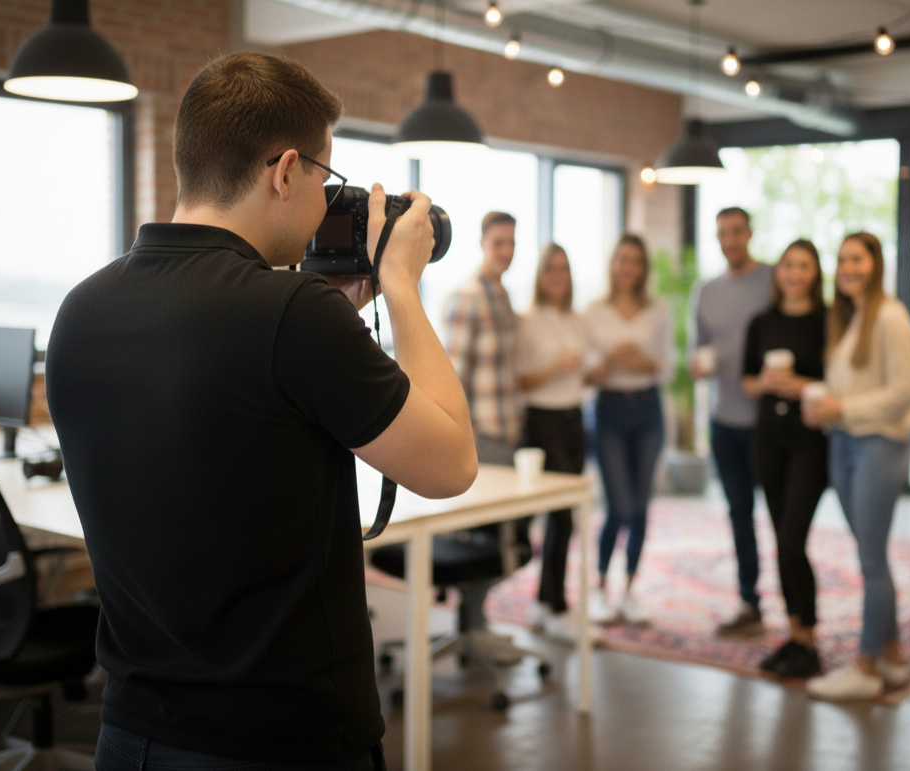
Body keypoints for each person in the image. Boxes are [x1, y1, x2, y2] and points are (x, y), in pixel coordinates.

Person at [45, 53, 477, 771]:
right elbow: (452, 463)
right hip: (280, 740)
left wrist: (333, 319)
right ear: (284, 171)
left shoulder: (81, 306)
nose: (322, 205)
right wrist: (401, 285)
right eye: (324, 178)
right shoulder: (292, 316)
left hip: (130, 735)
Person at [802, 232, 910, 700]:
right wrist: (823, 407)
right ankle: (892, 654)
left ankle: (865, 667)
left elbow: (904, 392)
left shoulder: (890, 316)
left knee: (871, 560)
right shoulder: (847, 319)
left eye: (858, 258)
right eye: (843, 259)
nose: (848, 267)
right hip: (844, 444)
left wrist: (841, 408)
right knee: (872, 554)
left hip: (877, 444)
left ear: (875, 264)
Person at [741, 239, 828, 679]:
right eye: (787, 265)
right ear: (779, 272)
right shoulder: (762, 322)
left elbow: (837, 380)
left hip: (809, 442)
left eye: (803, 265)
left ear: (815, 272)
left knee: (794, 541)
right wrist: (768, 383)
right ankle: (793, 635)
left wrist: (800, 385)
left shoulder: (828, 322)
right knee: (779, 540)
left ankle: (810, 639)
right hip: (768, 439)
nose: (794, 273)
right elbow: (747, 380)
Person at [690, 207, 775, 637]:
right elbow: (698, 351)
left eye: (737, 232)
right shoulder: (705, 291)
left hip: (771, 422)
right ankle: (749, 599)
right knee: (740, 512)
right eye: (722, 233)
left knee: (782, 517)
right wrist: (697, 367)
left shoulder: (775, 280)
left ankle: (797, 607)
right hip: (724, 422)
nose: (730, 240)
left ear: (750, 233)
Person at [585, 235, 671, 626]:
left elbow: (667, 368)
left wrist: (640, 362)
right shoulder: (594, 311)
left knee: (640, 506)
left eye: (636, 261)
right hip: (610, 410)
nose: (628, 267)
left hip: (649, 410)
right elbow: (587, 374)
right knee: (619, 505)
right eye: (622, 259)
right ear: (613, 264)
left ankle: (631, 589)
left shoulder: (659, 310)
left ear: (643, 268)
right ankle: (600, 586)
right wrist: (607, 363)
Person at [517, 244, 588, 642]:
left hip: (575, 418)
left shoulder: (578, 320)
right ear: (540, 276)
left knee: (566, 518)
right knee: (560, 516)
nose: (558, 276)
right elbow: (521, 382)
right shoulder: (528, 321)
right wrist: (554, 368)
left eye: (564, 268)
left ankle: (545, 599)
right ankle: (557, 605)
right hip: (542, 422)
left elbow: (586, 372)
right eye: (550, 269)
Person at [443, 211, 522, 466]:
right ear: (482, 244)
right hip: (482, 438)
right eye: (498, 243)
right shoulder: (467, 296)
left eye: (511, 243)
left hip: (510, 432)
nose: (506, 251)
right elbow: (454, 378)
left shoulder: (503, 295)